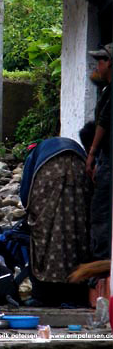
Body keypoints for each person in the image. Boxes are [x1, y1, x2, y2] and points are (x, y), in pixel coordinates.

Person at [20, 137, 91, 306]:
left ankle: (46, 295)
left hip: (48, 173)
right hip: (80, 168)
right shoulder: (74, 148)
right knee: (77, 227)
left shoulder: (35, 154)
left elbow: (26, 193)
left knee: (45, 233)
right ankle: (75, 292)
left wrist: (30, 212)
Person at [86, 43, 112, 261]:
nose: (97, 66)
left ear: (109, 62)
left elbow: (103, 122)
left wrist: (92, 154)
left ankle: (102, 262)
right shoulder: (107, 90)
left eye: (100, 61)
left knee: (101, 212)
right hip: (107, 159)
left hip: (109, 161)